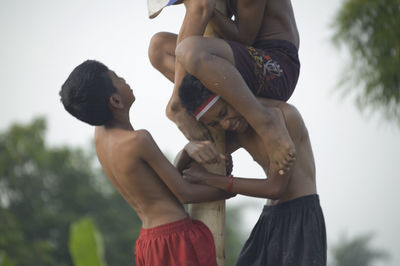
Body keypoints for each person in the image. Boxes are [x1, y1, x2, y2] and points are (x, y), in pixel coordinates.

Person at [59, 60, 234, 266]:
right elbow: (184, 193)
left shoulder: (101, 139)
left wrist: (186, 153)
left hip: (148, 244)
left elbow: (157, 186)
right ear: (115, 101)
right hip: (176, 240)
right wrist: (229, 188)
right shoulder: (139, 140)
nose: (124, 80)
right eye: (117, 78)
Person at [177, 74, 327, 266]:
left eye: (223, 112)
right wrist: (187, 150)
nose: (225, 124)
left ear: (232, 94)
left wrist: (210, 179)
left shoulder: (284, 117)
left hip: (301, 222)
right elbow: (183, 174)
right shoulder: (238, 129)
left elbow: (275, 188)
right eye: (215, 123)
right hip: (269, 219)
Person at [148, 0, 300, 176]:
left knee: (190, 50)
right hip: (241, 65)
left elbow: (244, 37)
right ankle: (192, 112)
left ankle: (263, 121)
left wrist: (205, 9)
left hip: (275, 68)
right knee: (158, 47)